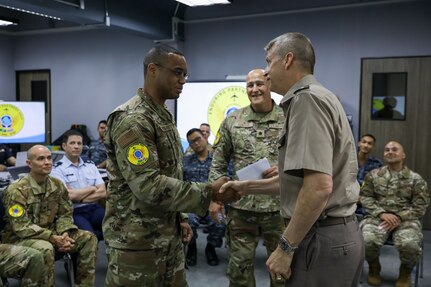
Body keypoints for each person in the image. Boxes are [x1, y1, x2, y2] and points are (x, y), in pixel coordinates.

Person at [219, 32, 364, 287]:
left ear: (287, 60)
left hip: (321, 236)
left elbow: (318, 187)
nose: (265, 73)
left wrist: (285, 247)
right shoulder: (320, 95)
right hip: (330, 233)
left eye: (268, 63)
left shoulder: (306, 100)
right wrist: (247, 186)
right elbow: (300, 182)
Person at [103, 44, 240, 287]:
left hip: (167, 235)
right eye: (177, 72)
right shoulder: (133, 119)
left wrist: (182, 218)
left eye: (185, 74)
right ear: (153, 70)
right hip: (137, 242)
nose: (183, 80)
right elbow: (148, 184)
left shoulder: (161, 115)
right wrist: (210, 192)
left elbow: (171, 172)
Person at [209, 68, 285, 287]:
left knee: (282, 271)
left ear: (270, 85)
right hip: (241, 208)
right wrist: (215, 197)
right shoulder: (233, 120)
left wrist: (285, 167)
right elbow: (218, 162)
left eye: (259, 83)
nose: (254, 89)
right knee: (239, 271)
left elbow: (305, 156)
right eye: (250, 85)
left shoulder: (288, 118)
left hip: (279, 209)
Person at [1, 145, 98, 287]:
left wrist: (64, 233)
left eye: (48, 158)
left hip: (54, 234)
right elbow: (21, 227)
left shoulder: (58, 185)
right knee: (45, 247)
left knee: (89, 238)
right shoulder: (17, 190)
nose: (47, 162)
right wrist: (53, 237)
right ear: (29, 163)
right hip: (20, 238)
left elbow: (65, 214)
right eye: (41, 159)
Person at [360, 141, 429, 287]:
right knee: (366, 241)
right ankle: (374, 268)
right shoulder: (373, 175)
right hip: (378, 219)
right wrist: (381, 213)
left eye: (394, 149)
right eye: (387, 150)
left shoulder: (415, 179)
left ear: (403, 155)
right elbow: (365, 197)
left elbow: (420, 205)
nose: (390, 152)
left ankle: (405, 273)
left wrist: (399, 217)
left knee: (409, 244)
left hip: (406, 220)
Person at [51, 129, 106, 240]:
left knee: (117, 227)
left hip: (94, 208)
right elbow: (69, 196)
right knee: (89, 238)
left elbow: (103, 192)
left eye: (79, 143)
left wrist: (79, 197)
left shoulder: (90, 165)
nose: (76, 146)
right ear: (64, 146)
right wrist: (92, 188)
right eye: (72, 143)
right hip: (75, 212)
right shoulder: (57, 169)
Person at [183, 128, 225, 267]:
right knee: (189, 222)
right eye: (191, 142)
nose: (196, 144)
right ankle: (192, 247)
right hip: (192, 204)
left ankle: (210, 248)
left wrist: (218, 201)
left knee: (220, 222)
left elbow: (226, 180)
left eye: (198, 139)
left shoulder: (218, 161)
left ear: (205, 138)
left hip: (213, 203)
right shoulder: (185, 162)